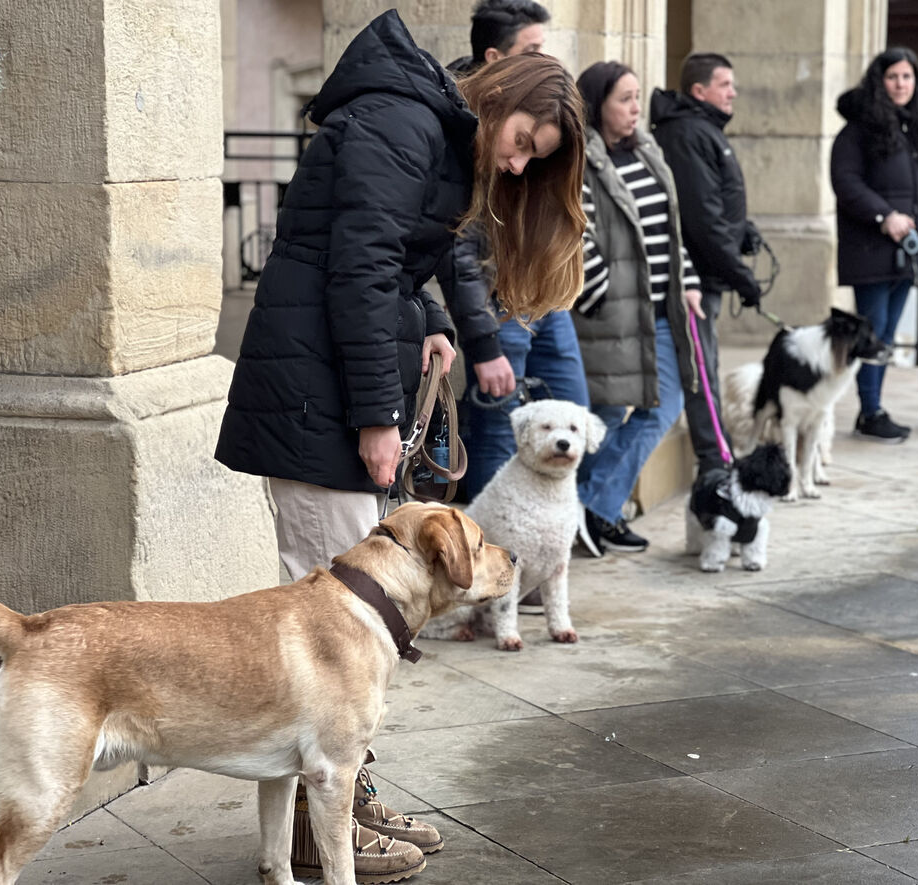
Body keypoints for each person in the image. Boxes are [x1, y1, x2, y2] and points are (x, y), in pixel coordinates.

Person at [213, 9, 586, 878]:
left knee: (347, 627)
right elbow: (359, 263)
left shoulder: (426, 122)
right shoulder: (404, 118)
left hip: (330, 385)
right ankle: (320, 828)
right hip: (319, 396)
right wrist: (379, 417)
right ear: (500, 95)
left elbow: (391, 268)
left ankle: (347, 794)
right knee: (336, 636)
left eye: (535, 157)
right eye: (525, 140)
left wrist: (427, 323)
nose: (519, 162)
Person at [439, 0, 590, 506]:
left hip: (534, 292)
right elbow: (457, 247)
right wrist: (483, 341)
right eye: (533, 51)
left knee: (572, 412)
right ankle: (488, 551)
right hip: (496, 300)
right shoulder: (461, 128)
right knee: (500, 427)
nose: (547, 62)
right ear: (496, 58)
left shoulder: (537, 125)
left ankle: (543, 538)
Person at [571, 60, 702, 557]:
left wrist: (686, 282)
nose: (634, 108)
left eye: (636, 97)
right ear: (597, 105)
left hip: (659, 311)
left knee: (661, 404)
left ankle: (594, 506)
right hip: (611, 313)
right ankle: (594, 510)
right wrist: (600, 293)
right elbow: (575, 234)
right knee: (602, 414)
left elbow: (670, 231)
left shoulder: (647, 150)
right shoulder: (583, 158)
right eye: (624, 99)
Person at [651, 52, 764, 475]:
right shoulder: (688, 133)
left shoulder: (704, 130)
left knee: (707, 366)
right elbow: (700, 218)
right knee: (701, 371)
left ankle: (718, 456)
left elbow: (719, 205)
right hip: (693, 277)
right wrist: (740, 274)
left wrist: (743, 230)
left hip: (710, 274)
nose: (733, 92)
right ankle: (716, 463)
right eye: (725, 84)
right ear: (699, 91)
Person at [830, 47, 918, 443]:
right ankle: (869, 410)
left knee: (888, 330)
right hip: (871, 245)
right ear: (879, 83)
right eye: (892, 77)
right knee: (873, 330)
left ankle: (873, 406)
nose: (901, 84)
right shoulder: (858, 130)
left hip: (909, 249)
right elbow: (846, 182)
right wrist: (885, 217)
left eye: (907, 77)